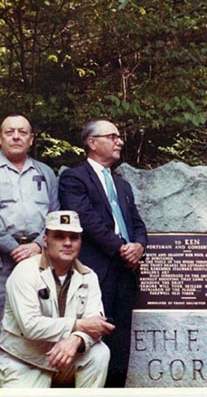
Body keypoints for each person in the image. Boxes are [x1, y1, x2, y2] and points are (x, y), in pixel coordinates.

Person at [0, 114, 59, 387]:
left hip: (39, 264)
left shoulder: (45, 173)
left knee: (37, 336)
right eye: (9, 132)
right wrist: (13, 247)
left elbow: (56, 215)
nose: (16, 136)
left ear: (31, 139)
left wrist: (36, 245)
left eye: (22, 132)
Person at [59, 120, 148, 387]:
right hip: (95, 274)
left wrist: (139, 247)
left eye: (119, 137)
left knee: (121, 348)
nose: (119, 142)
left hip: (126, 275)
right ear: (92, 142)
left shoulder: (122, 186)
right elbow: (86, 219)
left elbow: (138, 224)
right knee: (91, 344)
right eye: (112, 137)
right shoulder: (74, 178)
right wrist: (122, 247)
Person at [0, 210, 114, 387]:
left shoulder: (88, 276)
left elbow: (96, 325)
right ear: (45, 241)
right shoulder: (25, 271)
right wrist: (79, 325)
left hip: (65, 358)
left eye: (74, 237)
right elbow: (30, 326)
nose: (67, 243)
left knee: (99, 353)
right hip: (24, 360)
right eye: (59, 236)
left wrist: (77, 339)